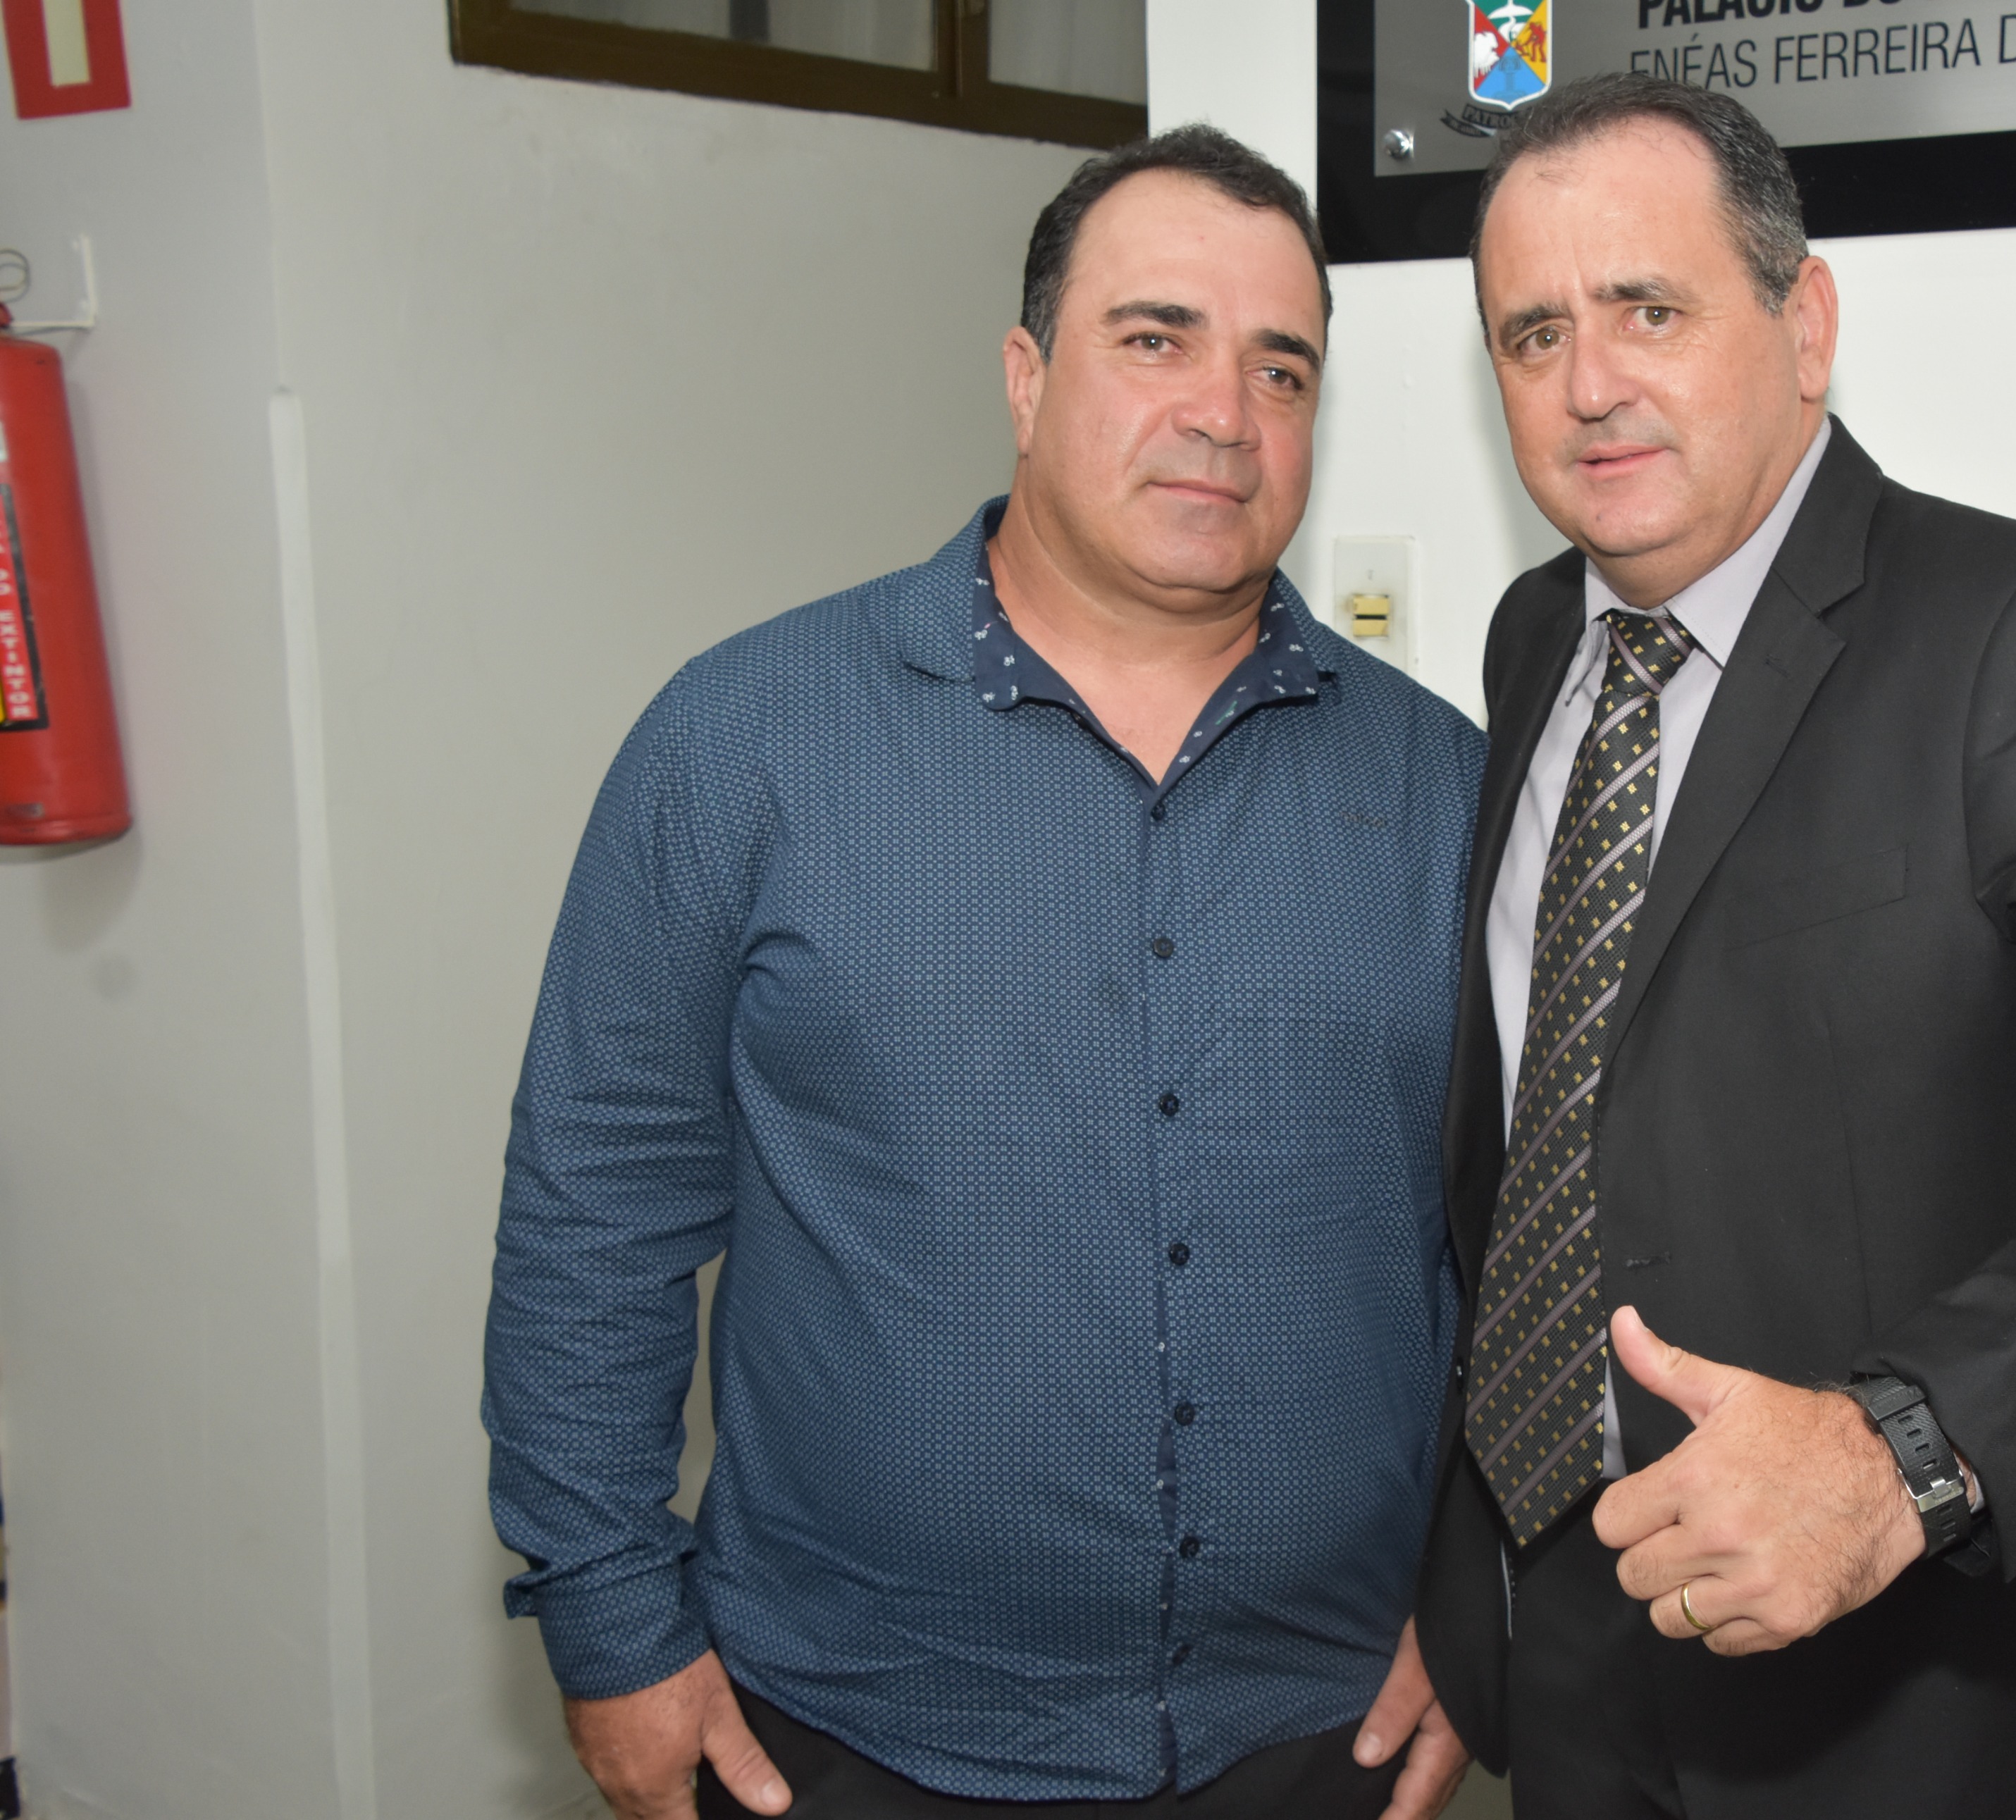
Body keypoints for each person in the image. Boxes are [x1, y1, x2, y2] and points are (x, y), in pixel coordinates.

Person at [1412, 74, 2016, 1818]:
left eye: (1648, 308)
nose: (1588, 382)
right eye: (1532, 332)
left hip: (1927, 1705)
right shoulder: (1531, 637)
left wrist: (1898, 1448)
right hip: (1571, 1658)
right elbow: (1543, 1147)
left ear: (1805, 324)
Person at [483, 127, 1478, 1820]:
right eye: (1154, 339)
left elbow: (1520, 1249)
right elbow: (598, 1203)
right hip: (845, 1738)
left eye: (1280, 367)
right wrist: (610, 1621)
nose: (1224, 413)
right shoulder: (743, 744)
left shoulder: (1450, 787)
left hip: (1322, 1736)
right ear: (1026, 376)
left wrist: (1482, 1601)